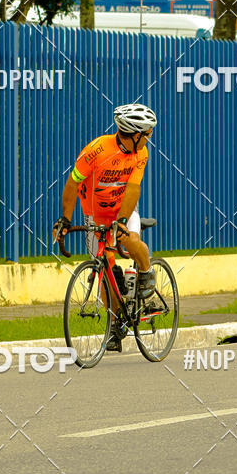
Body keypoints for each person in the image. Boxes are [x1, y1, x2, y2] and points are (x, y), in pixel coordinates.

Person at [53, 103, 157, 352]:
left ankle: (147, 272)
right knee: (105, 270)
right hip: (94, 216)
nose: (149, 139)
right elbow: (73, 182)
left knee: (130, 240)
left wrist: (121, 221)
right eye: (147, 134)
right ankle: (114, 325)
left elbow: (133, 188)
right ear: (135, 134)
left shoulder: (141, 153)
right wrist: (65, 219)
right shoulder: (97, 149)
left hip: (123, 212)